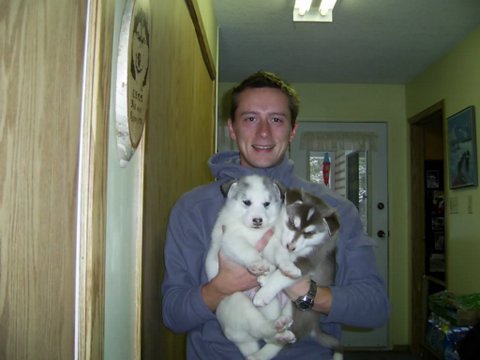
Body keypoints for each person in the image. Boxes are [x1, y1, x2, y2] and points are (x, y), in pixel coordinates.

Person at [161, 71, 390, 359]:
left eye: (277, 119)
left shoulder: (334, 210)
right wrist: (220, 288)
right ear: (231, 128)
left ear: (293, 130)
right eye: (250, 118)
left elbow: (375, 308)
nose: (264, 132)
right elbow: (173, 315)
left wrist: (304, 292)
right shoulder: (193, 208)